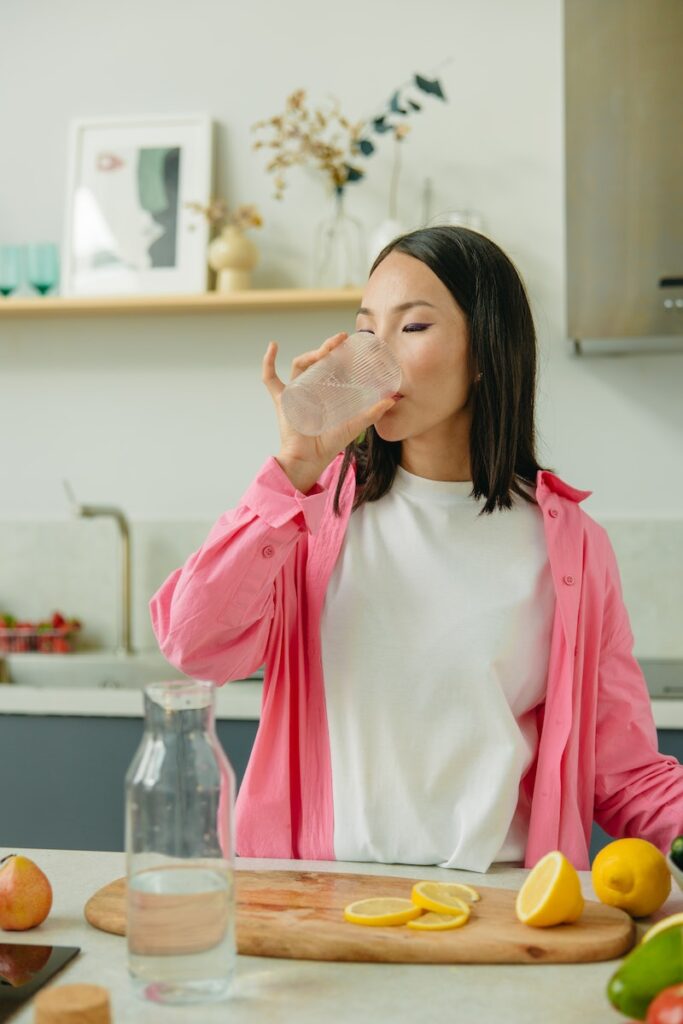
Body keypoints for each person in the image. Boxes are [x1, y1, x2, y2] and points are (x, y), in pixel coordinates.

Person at [150, 226, 683, 872]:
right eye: (366, 330)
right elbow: (194, 644)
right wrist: (293, 466)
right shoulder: (310, 517)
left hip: (495, 913)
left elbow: (622, 774)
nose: (378, 357)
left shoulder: (571, 549)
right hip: (316, 909)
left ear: (485, 353)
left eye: (413, 327)